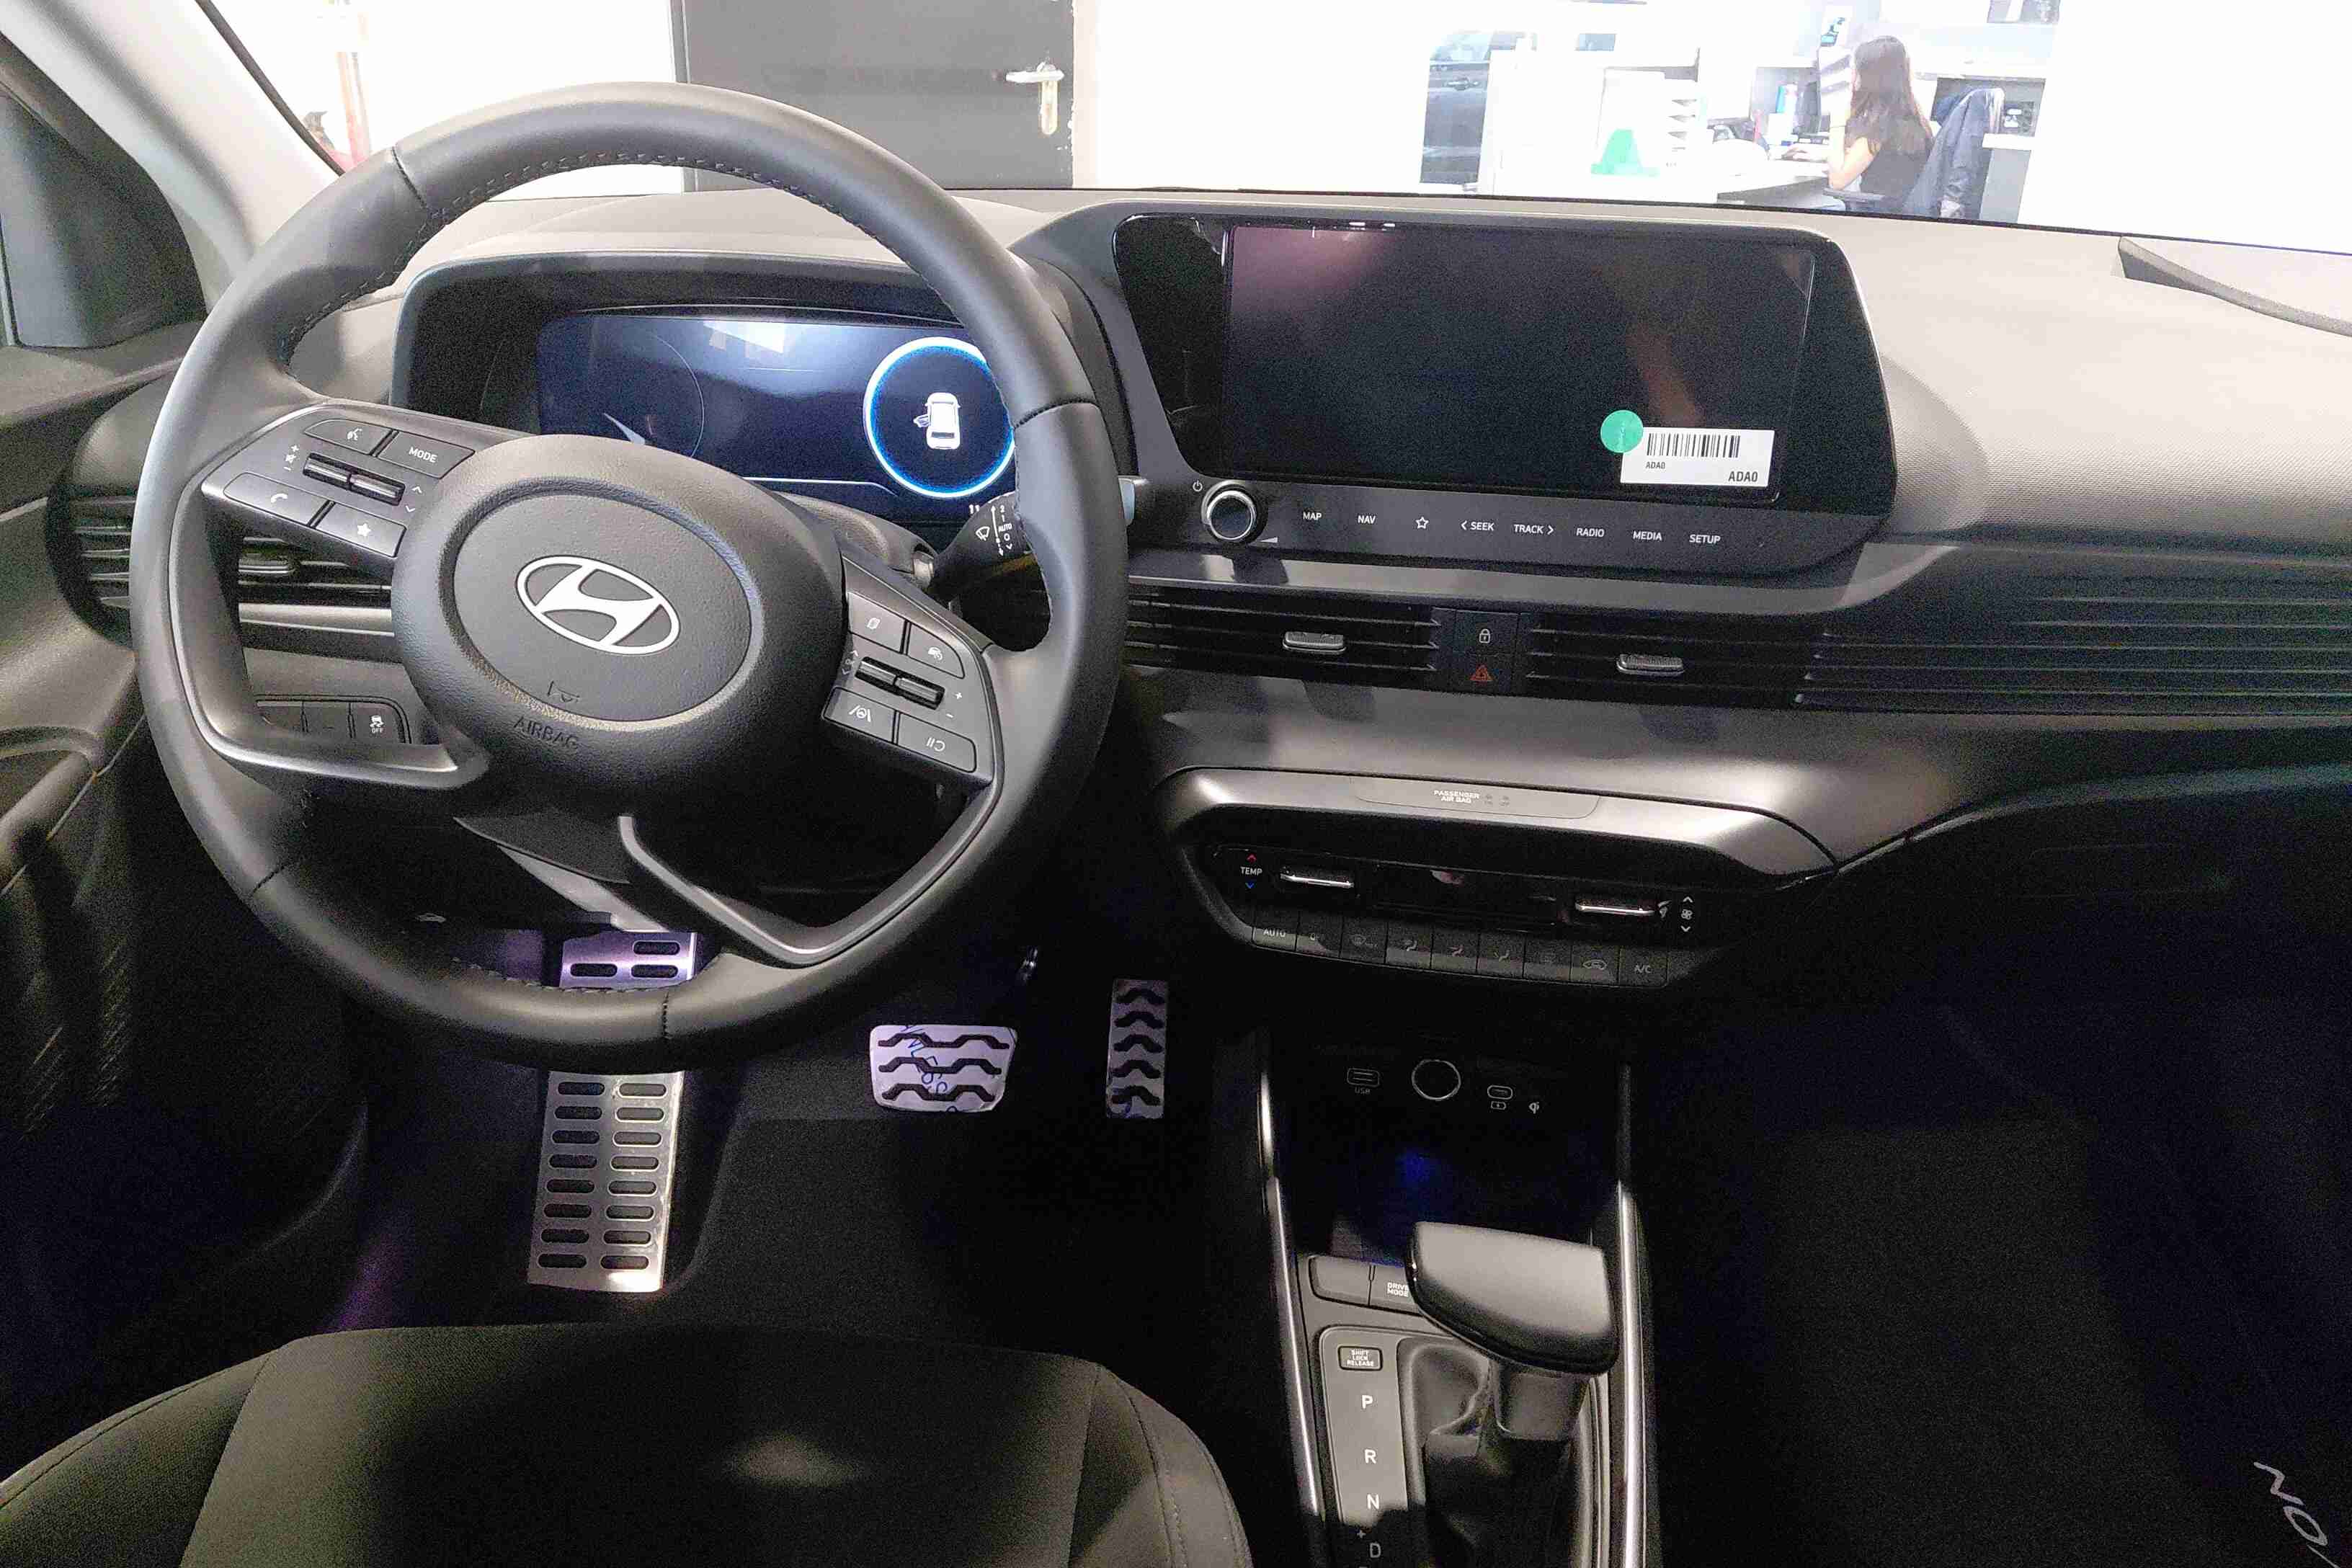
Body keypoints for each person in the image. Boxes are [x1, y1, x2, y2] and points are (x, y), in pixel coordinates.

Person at [1827, 35, 1933, 202]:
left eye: (1856, 70)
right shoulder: (1913, 120)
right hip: (1899, 213)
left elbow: (1837, 181)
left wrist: (1836, 124)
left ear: (1869, 78)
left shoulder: (1878, 128)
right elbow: (1883, 160)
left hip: (1873, 213)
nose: (1852, 76)